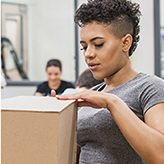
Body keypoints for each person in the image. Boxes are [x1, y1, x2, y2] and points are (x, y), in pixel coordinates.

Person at [51, 0, 164, 163]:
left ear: (126, 43)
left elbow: (160, 155)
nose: (88, 54)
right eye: (84, 46)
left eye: (98, 44)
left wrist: (112, 103)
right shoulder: (94, 93)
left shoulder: (150, 88)